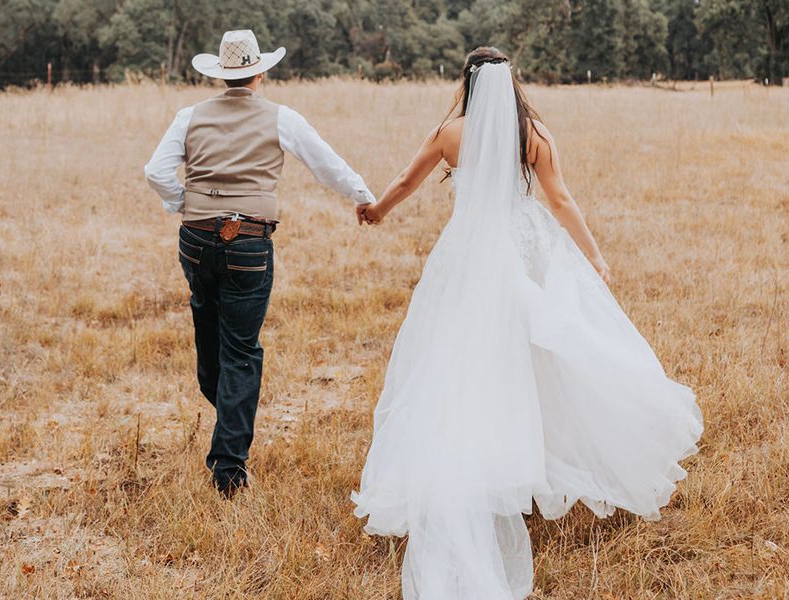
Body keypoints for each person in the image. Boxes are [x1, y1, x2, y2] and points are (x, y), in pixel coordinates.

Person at [351, 47, 703, 598]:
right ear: (510, 82)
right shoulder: (533, 131)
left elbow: (406, 179)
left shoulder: (450, 133)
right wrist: (594, 256)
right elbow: (560, 199)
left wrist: (376, 211)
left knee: (462, 360)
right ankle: (529, 462)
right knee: (540, 353)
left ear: (466, 82)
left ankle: (489, 463)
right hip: (521, 248)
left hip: (466, 255)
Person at [144, 30, 375, 498]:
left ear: (221, 73)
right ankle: (229, 468)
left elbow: (155, 171)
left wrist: (180, 203)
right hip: (248, 242)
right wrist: (364, 197)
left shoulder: (189, 116)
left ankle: (227, 420)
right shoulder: (280, 118)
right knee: (242, 352)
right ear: (261, 71)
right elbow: (326, 165)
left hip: (195, 240)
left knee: (208, 335)